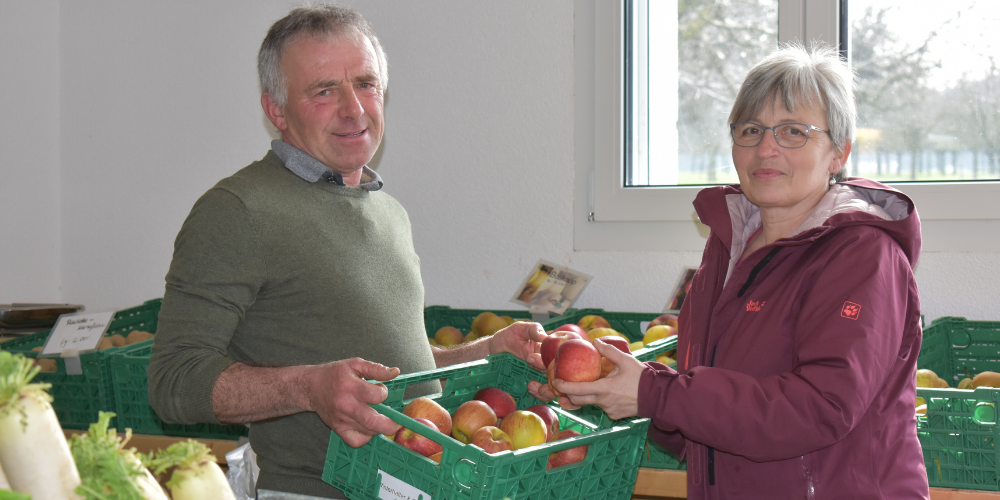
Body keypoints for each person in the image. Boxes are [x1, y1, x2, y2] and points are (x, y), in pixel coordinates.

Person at [146, 5, 545, 498]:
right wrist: (307, 388)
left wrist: (484, 350)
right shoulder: (237, 210)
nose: (354, 108)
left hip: (422, 484)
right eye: (324, 90)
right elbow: (173, 380)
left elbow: (393, 373)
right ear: (276, 110)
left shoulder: (388, 213)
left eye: (366, 83)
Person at [530, 43, 929, 499]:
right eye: (751, 129)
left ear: (839, 153)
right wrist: (616, 390)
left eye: (793, 131)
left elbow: (820, 409)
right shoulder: (728, 251)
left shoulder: (863, 254)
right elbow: (703, 430)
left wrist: (655, 394)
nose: (766, 148)